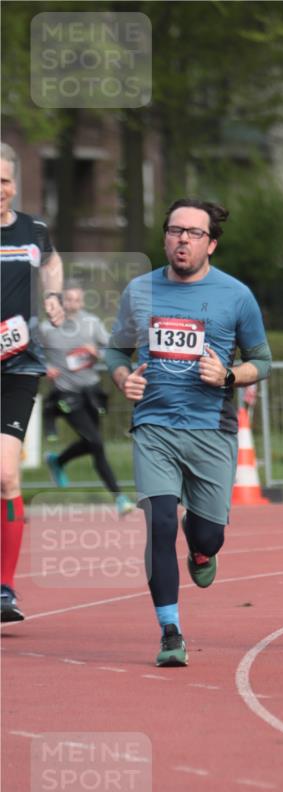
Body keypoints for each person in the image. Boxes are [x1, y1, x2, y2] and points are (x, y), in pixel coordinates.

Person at [106, 198, 272, 667]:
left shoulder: (236, 296)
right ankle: (170, 630)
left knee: (208, 534)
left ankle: (201, 549)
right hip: (154, 426)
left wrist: (228, 376)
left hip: (212, 430)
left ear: (211, 244)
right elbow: (116, 352)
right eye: (175, 230)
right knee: (158, 523)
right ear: (165, 237)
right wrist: (124, 379)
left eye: (193, 233)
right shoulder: (139, 291)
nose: (182, 239)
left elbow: (263, 361)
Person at [1, 142, 64, 623]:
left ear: (15, 183)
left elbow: (52, 261)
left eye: (5, 179)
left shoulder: (33, 229)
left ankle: (4, 588)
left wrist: (55, 296)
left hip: (18, 363)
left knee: (5, 475)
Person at [39, 282, 134, 515]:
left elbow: (112, 349)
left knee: (94, 445)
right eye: (69, 300)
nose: (74, 304)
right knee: (96, 442)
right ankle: (120, 497)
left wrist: (97, 352)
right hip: (66, 394)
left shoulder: (91, 323)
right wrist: (46, 366)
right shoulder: (46, 328)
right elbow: (32, 353)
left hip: (91, 392)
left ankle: (58, 461)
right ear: (60, 302)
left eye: (78, 300)